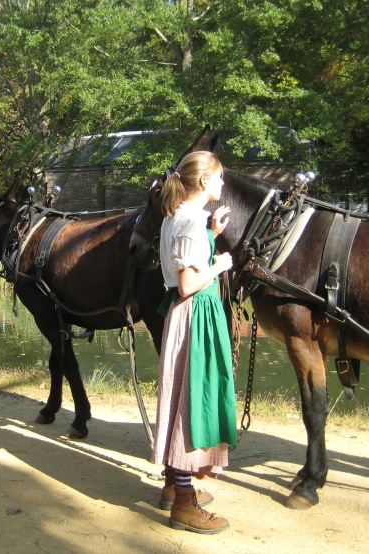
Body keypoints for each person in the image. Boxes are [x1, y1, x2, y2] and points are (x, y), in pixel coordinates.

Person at [153, 152, 237, 534]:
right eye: (218, 178)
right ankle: (184, 505)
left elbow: (185, 257)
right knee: (193, 401)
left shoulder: (179, 219)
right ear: (203, 182)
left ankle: (175, 486)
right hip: (195, 315)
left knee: (184, 398)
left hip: (186, 316)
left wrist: (212, 234)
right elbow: (187, 283)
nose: (222, 184)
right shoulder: (189, 223)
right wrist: (220, 264)